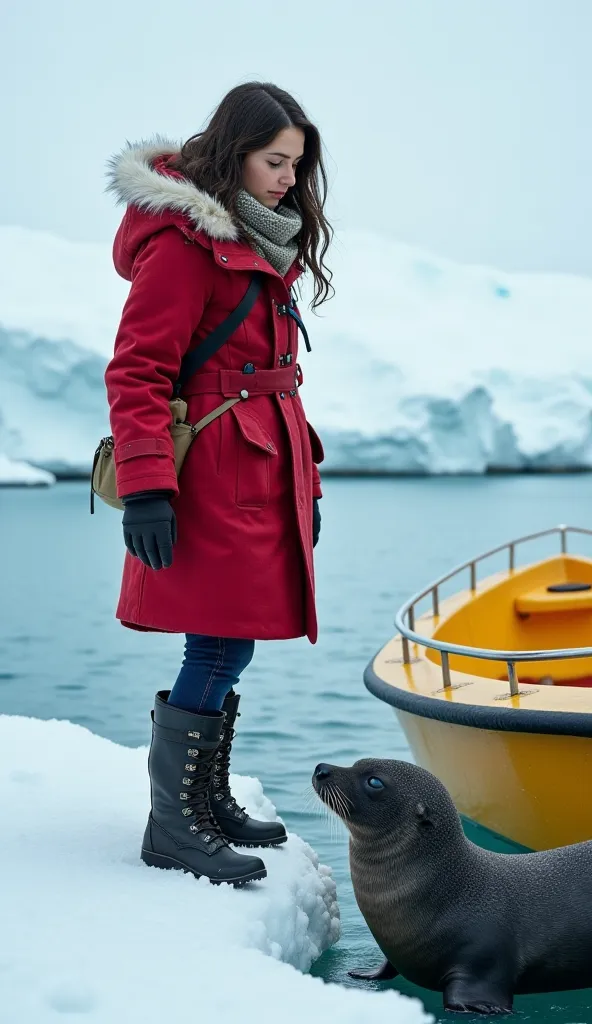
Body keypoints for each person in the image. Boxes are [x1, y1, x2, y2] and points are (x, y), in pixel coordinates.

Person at [104, 82, 333, 886]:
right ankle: (177, 826)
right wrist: (146, 489)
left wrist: (306, 485)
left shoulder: (262, 243)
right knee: (220, 638)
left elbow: (270, 379)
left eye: (296, 164)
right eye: (275, 161)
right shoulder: (184, 244)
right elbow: (137, 370)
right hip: (208, 476)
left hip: (259, 469)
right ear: (233, 153)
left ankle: (201, 805)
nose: (287, 178)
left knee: (229, 637)